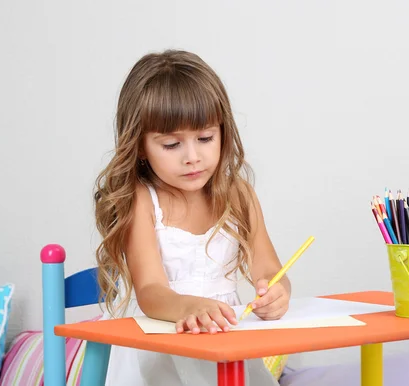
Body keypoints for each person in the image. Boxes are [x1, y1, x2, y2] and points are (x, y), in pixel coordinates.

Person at [93, 49, 290, 385]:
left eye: (205, 138)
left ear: (223, 132)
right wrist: (189, 308)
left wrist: (276, 292)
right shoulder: (143, 201)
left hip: (224, 344)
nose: (193, 157)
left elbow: (270, 269)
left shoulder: (239, 194)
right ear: (139, 146)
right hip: (160, 344)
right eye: (172, 145)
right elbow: (151, 290)